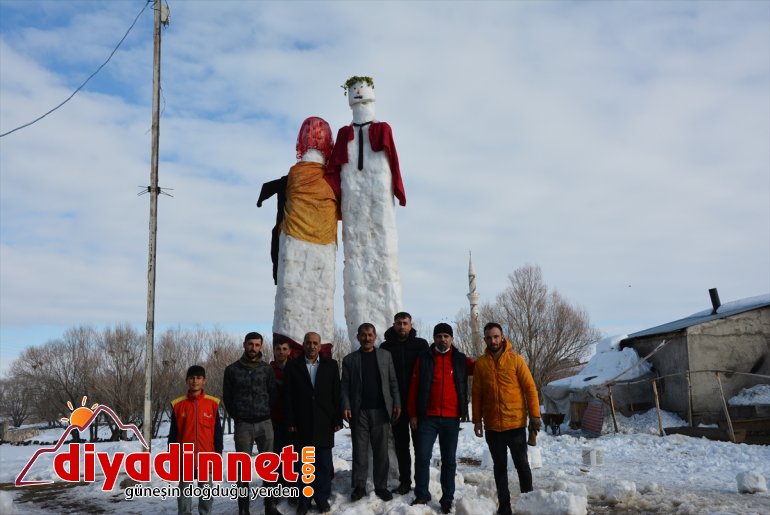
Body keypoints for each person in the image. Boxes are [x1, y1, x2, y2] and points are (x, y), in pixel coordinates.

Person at [472, 322, 541, 515]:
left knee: (522, 465)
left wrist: (535, 416)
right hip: (493, 427)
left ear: (502, 337)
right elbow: (476, 393)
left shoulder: (516, 360)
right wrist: (477, 420)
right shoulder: (481, 364)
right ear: (485, 339)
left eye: (496, 336)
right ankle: (504, 506)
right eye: (489, 337)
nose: (492, 340)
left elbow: (530, 388)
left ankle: (528, 502)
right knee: (499, 466)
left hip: (515, 424)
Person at [407, 323, 470, 514]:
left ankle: (447, 497)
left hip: (451, 419)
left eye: (446, 336)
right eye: (439, 336)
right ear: (434, 338)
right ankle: (422, 494)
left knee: (449, 460)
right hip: (427, 418)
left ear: (451, 338)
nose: (443, 339)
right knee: (422, 457)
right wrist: (413, 414)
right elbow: (414, 386)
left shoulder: (460, 359)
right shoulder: (424, 358)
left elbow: (482, 369)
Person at [284, 332, 342, 515]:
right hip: (302, 423)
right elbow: (288, 396)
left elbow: (336, 394)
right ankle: (305, 500)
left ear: (320, 345)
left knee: (324, 464)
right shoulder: (292, 366)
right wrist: (291, 420)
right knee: (305, 464)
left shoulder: (331, 366)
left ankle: (321, 498)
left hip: (325, 421)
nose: (312, 346)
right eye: (308, 343)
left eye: (315, 343)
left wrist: (337, 418)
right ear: (303, 345)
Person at [341, 323, 401, 502]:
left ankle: (381, 486)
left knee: (381, 451)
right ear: (357, 337)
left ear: (375, 337)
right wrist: (346, 405)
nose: (367, 338)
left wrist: (396, 402)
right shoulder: (350, 359)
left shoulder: (385, 356)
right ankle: (359, 486)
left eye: (370, 335)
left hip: (381, 411)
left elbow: (393, 381)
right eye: (363, 335)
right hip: (359, 412)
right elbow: (344, 386)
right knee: (359, 451)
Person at [223, 332, 280, 515]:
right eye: (250, 344)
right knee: (242, 470)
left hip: (265, 423)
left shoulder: (266, 369)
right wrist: (238, 416)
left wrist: (265, 412)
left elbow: (273, 394)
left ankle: (270, 507)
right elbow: (228, 398)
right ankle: (243, 510)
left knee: (269, 468)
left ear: (261, 347)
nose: (253, 348)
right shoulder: (232, 370)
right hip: (243, 425)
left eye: (257, 345)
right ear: (244, 345)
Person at [380, 311, 429, 494]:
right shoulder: (385, 347)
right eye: (399, 323)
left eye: (405, 323)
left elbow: (428, 371)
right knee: (402, 446)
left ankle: (421, 482)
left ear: (411, 324)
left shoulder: (421, 345)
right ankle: (405, 481)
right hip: (396, 405)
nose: (402, 326)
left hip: (417, 404)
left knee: (420, 446)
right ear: (394, 324)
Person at [168, 365, 223, 515]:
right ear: (187, 381)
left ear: (204, 381)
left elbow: (217, 432)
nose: (195, 381)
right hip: (185, 457)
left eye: (198, 378)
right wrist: (172, 456)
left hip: (207, 456)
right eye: (192, 378)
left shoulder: (213, 403)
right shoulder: (178, 404)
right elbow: (173, 434)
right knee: (184, 492)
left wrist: (218, 453)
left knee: (206, 492)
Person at [271, 340, 293, 495]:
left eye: (284, 349)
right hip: (273, 418)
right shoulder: (268, 370)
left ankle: (290, 486)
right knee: (275, 454)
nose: (281, 352)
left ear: (289, 351)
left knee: (290, 454)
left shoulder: (296, 368)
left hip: (292, 418)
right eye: (278, 349)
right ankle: (276, 489)